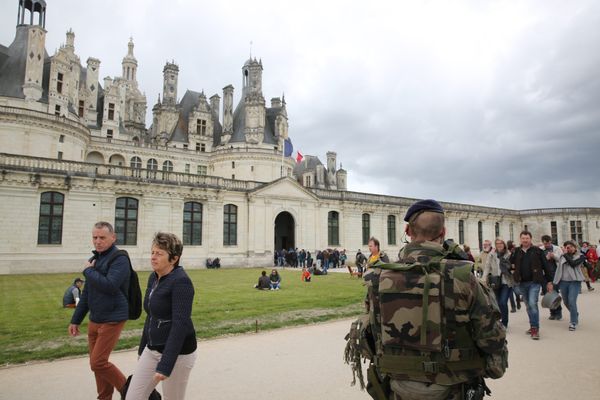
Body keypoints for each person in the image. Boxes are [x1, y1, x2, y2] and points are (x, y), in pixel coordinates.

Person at [345, 199, 507, 400]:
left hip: (397, 387)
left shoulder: (377, 278)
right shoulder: (463, 278)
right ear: (443, 233)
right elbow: (491, 340)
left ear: (407, 230)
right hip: (453, 388)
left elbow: (373, 335)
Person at [125, 232, 197, 400]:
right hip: (153, 349)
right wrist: (143, 348)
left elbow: (179, 325)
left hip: (178, 354)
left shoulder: (181, 282)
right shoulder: (154, 278)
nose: (153, 257)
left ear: (174, 259)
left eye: (159, 253)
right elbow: (151, 315)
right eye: (152, 252)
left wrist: (165, 365)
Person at [68, 221, 131, 400]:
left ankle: (130, 392)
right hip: (95, 318)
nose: (97, 241)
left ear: (113, 237)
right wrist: (76, 320)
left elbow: (110, 286)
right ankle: (104, 397)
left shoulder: (120, 258)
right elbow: (87, 293)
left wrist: (88, 272)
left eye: (102, 237)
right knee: (96, 365)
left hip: (113, 317)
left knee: (98, 362)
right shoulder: (95, 259)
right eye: (95, 237)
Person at [511, 230, 553, 340]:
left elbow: (546, 267)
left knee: (532, 303)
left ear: (531, 239)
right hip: (522, 283)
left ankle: (535, 328)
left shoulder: (538, 251)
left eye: (527, 238)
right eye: (523, 238)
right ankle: (532, 325)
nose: (525, 240)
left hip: (534, 282)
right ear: (520, 239)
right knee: (528, 306)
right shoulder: (516, 251)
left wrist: (549, 282)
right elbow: (509, 263)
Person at [552, 241, 586, 331]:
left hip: (574, 282)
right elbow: (557, 266)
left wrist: (565, 254)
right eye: (567, 247)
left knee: (571, 301)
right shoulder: (562, 257)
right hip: (563, 282)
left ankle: (573, 322)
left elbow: (573, 264)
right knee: (566, 302)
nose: (569, 248)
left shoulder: (581, 256)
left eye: (571, 247)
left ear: (575, 247)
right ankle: (575, 313)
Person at [483, 239, 514, 327]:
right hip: (496, 281)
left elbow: (514, 265)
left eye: (501, 243)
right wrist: (484, 279)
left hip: (506, 281)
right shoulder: (492, 254)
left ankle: (504, 323)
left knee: (503, 302)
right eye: (497, 244)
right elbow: (487, 267)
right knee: (496, 303)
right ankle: (499, 320)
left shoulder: (509, 254)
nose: (499, 245)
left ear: (504, 244)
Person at [540, 235, 563, 321]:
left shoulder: (557, 248)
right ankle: (552, 312)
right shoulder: (541, 250)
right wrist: (546, 258)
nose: (547, 245)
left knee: (555, 292)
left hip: (555, 273)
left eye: (548, 243)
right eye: (545, 243)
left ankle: (558, 312)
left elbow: (561, 259)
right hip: (545, 274)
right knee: (547, 293)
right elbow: (539, 262)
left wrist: (553, 256)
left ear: (551, 241)